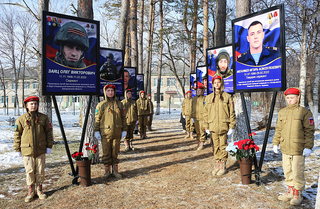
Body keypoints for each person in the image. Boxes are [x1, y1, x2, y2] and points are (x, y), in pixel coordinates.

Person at [272, 88, 314, 206]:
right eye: (288, 98)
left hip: (298, 149)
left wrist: (308, 146)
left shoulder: (304, 112)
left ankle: (298, 193)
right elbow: (278, 130)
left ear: (298, 98)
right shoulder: (282, 112)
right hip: (285, 147)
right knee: (287, 170)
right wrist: (275, 143)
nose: (290, 100)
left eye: (292, 98)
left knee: (297, 171)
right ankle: (290, 191)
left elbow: (309, 131)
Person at [13, 96, 53, 202]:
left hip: (40, 149)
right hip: (27, 150)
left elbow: (49, 133)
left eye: (35, 104)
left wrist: (49, 146)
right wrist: (17, 149)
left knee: (40, 170)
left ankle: (39, 190)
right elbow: (17, 134)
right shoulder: (21, 119)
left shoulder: (44, 118)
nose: (34, 106)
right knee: (29, 171)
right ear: (26, 106)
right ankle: (31, 191)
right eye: (31, 104)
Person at [203, 75, 235, 176]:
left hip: (223, 126)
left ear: (221, 83)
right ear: (212, 84)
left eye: (218, 82)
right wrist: (206, 126)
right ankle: (217, 164)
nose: (217, 84)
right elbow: (205, 113)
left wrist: (232, 126)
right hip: (213, 126)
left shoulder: (227, 97)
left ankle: (223, 165)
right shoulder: (208, 98)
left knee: (223, 146)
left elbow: (231, 112)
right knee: (215, 146)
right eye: (215, 82)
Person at [94, 84, 127, 179]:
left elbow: (124, 118)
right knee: (106, 152)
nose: (110, 92)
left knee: (115, 152)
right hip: (105, 133)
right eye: (108, 91)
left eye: (112, 91)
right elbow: (97, 119)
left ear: (114, 92)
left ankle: (115, 171)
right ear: (105, 92)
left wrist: (124, 130)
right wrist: (96, 131)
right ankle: (107, 172)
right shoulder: (101, 105)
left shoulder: (120, 104)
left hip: (117, 132)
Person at [191, 85, 206, 150]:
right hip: (195, 117)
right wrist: (192, 116)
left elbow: (206, 108)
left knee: (202, 130)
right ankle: (198, 142)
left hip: (202, 117)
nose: (198, 91)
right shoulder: (194, 99)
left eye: (200, 90)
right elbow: (192, 108)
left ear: (202, 91)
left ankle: (202, 143)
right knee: (197, 131)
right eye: (197, 90)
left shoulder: (205, 98)